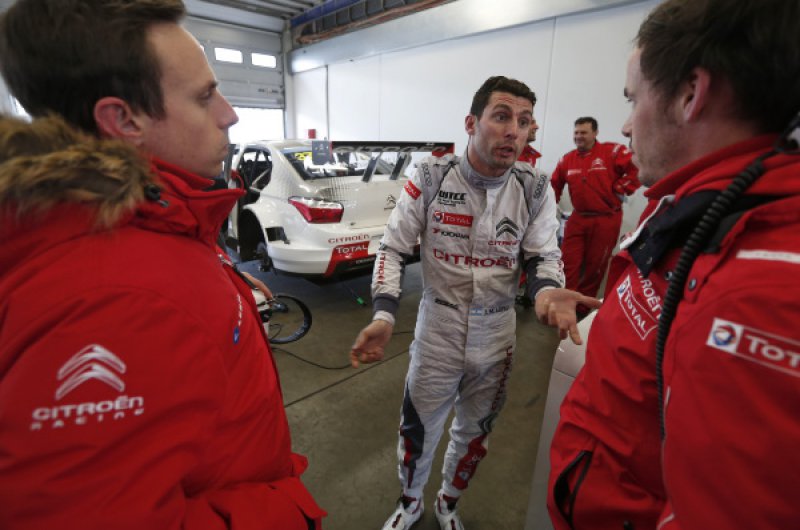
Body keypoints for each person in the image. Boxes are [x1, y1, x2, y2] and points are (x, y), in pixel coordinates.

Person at [0, 1, 323, 529]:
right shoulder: (117, 301)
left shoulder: (139, 223)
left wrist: (214, 280)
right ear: (122, 120)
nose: (230, 114)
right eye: (204, 96)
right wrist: (285, 513)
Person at [548, 1, 800, 529]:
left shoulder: (761, 294)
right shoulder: (696, 204)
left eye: (632, 98)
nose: (626, 123)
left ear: (691, 94)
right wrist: (611, 308)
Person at [349, 76, 600, 530]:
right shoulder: (429, 176)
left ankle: (448, 503)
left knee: (475, 434)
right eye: (501, 117)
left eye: (523, 121)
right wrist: (385, 314)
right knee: (417, 428)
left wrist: (545, 291)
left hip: (498, 334)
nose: (513, 131)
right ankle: (410, 503)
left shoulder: (535, 187)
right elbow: (392, 248)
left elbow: (543, 255)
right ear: (471, 123)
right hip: (437, 329)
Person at [550, 117, 640, 299]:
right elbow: (554, 185)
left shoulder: (612, 152)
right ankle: (565, 301)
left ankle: (583, 305)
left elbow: (636, 168)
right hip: (578, 218)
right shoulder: (567, 160)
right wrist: (549, 209)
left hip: (606, 219)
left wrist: (620, 188)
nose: (578, 136)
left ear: (595, 133)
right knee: (567, 262)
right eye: (576, 132)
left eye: (583, 132)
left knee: (595, 265)